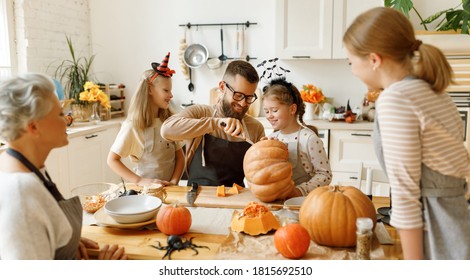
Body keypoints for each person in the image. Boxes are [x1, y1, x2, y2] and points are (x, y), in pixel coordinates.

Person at [343, 7, 470, 260]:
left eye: (351, 62)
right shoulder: (434, 92)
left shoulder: (395, 99)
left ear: (374, 59)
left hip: (437, 231)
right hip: (458, 221)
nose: (353, 70)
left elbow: (406, 195)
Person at [0, 73, 127, 260]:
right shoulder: (20, 192)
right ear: (33, 127)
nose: (69, 117)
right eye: (60, 113)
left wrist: (64, 240)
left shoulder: (28, 166)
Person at [161, 60, 265, 187]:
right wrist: (216, 123)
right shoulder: (200, 113)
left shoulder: (255, 128)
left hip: (236, 197)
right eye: (238, 95)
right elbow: (166, 130)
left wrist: (269, 150)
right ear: (222, 87)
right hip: (197, 196)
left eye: (249, 98)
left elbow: (262, 175)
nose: (243, 103)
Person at [107, 52, 184, 186]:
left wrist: (174, 182)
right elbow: (112, 160)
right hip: (147, 194)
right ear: (149, 89)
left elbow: (180, 158)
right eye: (166, 90)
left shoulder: (170, 122)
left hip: (171, 191)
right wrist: (139, 180)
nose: (171, 95)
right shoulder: (133, 126)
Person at [262, 78, 331, 198]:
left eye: (274, 110)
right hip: (278, 199)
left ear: (292, 109)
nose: (270, 116)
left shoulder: (309, 139)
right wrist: (263, 151)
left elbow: (325, 175)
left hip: (304, 201)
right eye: (266, 111)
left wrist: (299, 191)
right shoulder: (272, 138)